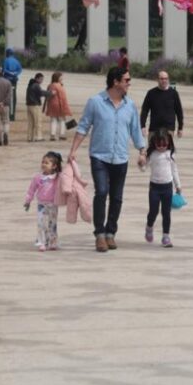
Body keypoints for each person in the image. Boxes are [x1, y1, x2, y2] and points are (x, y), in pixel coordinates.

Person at [68, 66, 145, 252]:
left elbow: (136, 130)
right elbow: (83, 127)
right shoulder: (95, 102)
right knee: (101, 192)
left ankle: (111, 233)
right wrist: (73, 151)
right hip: (99, 156)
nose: (129, 83)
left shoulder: (130, 106)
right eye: (126, 80)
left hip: (121, 157)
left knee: (117, 197)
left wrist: (142, 151)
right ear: (115, 82)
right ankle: (100, 234)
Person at [139, 128, 181, 248]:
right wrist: (141, 164)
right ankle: (149, 227)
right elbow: (143, 169)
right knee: (153, 211)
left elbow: (174, 171)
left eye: (164, 144)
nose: (162, 147)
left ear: (169, 142)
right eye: (159, 144)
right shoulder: (152, 154)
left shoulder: (170, 154)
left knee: (166, 213)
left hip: (167, 187)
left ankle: (166, 236)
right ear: (154, 142)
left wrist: (178, 185)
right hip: (154, 187)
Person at [24, 151, 62, 252]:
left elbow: (67, 179)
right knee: (41, 223)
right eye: (42, 162)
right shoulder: (38, 177)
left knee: (52, 224)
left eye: (46, 163)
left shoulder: (57, 177)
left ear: (54, 166)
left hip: (53, 205)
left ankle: (53, 242)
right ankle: (42, 242)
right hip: (41, 205)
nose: (43, 164)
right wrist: (28, 201)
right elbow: (31, 189)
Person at [140, 70, 184, 138]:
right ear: (157, 79)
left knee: (168, 149)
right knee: (152, 148)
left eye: (166, 78)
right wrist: (142, 126)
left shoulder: (174, 93)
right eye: (162, 79)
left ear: (168, 80)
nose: (164, 81)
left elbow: (179, 111)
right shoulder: (151, 93)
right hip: (154, 129)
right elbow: (145, 110)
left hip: (169, 129)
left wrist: (180, 128)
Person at [44, 71, 72, 141]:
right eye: (61, 77)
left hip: (52, 104)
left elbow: (48, 95)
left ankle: (53, 135)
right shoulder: (58, 85)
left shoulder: (51, 85)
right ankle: (61, 134)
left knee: (53, 120)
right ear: (58, 78)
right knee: (62, 119)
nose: (62, 78)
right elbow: (62, 97)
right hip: (59, 104)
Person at [2, 48, 23, 120]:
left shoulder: (6, 60)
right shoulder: (17, 61)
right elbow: (20, 70)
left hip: (7, 79)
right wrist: (15, 73)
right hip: (14, 80)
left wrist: (10, 73)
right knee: (13, 96)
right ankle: (12, 115)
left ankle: (6, 114)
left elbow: (4, 70)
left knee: (5, 95)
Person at [25, 73, 46, 142]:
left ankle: (30, 137)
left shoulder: (30, 85)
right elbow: (41, 93)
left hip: (29, 105)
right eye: (41, 79)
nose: (42, 81)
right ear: (37, 78)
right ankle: (38, 137)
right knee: (38, 122)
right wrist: (51, 93)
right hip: (35, 105)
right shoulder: (36, 85)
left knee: (31, 123)